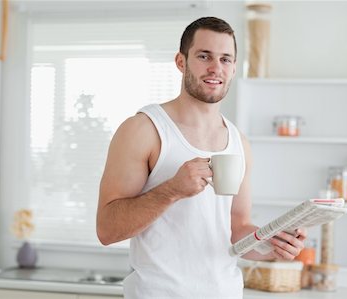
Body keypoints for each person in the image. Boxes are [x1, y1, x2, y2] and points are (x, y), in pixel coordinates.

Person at [97, 16, 306, 298]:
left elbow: (237, 229)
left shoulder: (239, 142)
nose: (215, 68)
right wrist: (171, 190)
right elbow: (107, 230)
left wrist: (273, 246)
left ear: (233, 69)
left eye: (225, 59)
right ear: (181, 62)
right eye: (204, 56)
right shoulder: (143, 129)